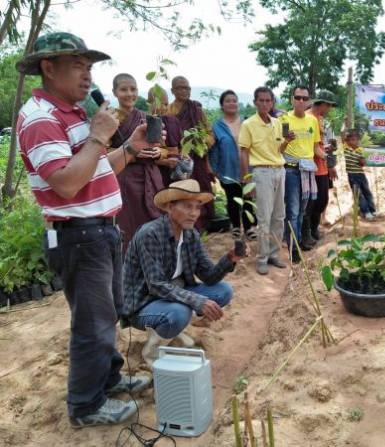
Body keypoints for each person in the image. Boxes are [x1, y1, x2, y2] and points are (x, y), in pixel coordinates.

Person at [16, 32, 156, 427]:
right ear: (48, 67)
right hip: (78, 235)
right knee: (92, 323)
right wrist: (98, 136)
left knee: (106, 315)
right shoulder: (40, 118)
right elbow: (65, 183)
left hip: (100, 231)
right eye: (78, 65)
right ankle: (85, 405)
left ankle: (108, 380)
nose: (87, 75)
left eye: (89, 67)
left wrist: (130, 147)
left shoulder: (74, 113)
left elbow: (97, 168)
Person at [121, 180, 241, 365]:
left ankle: (172, 330)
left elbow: (209, 276)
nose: (194, 213)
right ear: (170, 207)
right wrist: (197, 301)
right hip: (143, 303)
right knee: (180, 312)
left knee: (223, 291)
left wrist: (230, 259)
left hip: (173, 294)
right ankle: (152, 352)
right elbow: (156, 285)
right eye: (187, 207)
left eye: (197, 207)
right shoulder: (150, 234)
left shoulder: (191, 235)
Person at [239, 87, 290, 275]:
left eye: (268, 100)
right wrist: (247, 179)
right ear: (255, 102)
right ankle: (262, 258)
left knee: (279, 216)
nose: (265, 104)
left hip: (279, 170)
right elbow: (243, 152)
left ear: (272, 102)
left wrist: (287, 141)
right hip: (261, 172)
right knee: (264, 217)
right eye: (261, 100)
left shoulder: (277, 122)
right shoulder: (248, 124)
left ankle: (274, 255)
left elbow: (279, 150)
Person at [110, 73, 164, 253]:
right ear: (114, 92)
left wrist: (158, 152)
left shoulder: (146, 117)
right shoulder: (110, 119)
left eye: (133, 89)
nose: (129, 94)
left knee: (153, 221)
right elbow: (102, 154)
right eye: (123, 89)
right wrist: (131, 152)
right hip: (125, 179)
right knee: (130, 223)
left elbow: (162, 147)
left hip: (150, 177)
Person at [167, 76, 215, 230]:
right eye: (180, 88)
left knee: (200, 193)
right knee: (182, 195)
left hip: (198, 160)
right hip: (178, 161)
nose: (185, 91)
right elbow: (164, 137)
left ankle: (200, 228)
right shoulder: (168, 111)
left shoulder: (197, 110)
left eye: (187, 88)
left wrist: (199, 141)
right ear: (173, 90)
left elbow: (210, 135)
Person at [279, 86, 322, 256]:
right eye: (297, 97)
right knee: (293, 211)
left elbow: (315, 147)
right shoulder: (284, 119)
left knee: (302, 212)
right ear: (292, 99)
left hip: (308, 171)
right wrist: (286, 141)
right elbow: (279, 149)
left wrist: (327, 155)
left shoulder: (313, 121)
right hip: (291, 170)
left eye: (304, 98)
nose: (301, 101)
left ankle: (294, 240)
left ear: (309, 101)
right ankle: (294, 249)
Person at [210, 90, 256, 240]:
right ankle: (236, 227)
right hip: (227, 168)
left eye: (234, 101)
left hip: (247, 167)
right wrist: (214, 168)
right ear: (222, 105)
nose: (232, 103)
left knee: (248, 198)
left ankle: (249, 228)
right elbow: (214, 149)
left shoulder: (247, 122)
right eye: (228, 101)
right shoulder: (217, 126)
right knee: (232, 199)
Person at [305, 90, 338, 241]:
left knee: (322, 200)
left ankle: (314, 228)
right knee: (311, 202)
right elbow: (310, 146)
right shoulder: (307, 118)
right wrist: (328, 159)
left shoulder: (319, 118)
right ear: (323, 104)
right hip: (311, 167)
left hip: (322, 166)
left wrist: (327, 149)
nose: (329, 109)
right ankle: (308, 233)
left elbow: (318, 144)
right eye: (329, 106)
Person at [344, 129, 376, 220]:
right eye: (349, 140)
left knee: (367, 192)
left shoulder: (360, 150)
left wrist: (362, 161)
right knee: (358, 194)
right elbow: (343, 136)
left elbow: (363, 163)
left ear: (358, 141)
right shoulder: (346, 149)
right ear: (347, 141)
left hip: (361, 174)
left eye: (354, 140)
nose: (352, 142)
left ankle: (372, 210)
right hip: (352, 175)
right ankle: (366, 212)